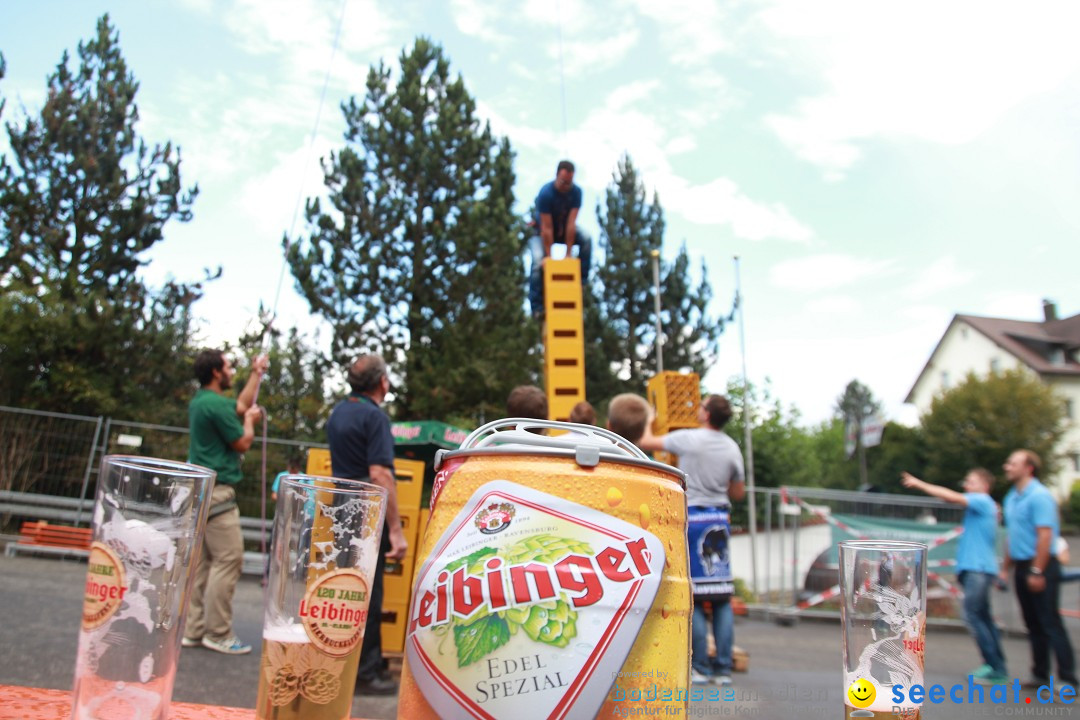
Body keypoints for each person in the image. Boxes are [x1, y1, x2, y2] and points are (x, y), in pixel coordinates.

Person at [638, 395, 745, 686]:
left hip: (694, 518)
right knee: (721, 596)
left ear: (706, 413)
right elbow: (738, 492)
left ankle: (700, 666)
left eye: (701, 405)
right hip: (719, 520)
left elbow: (647, 441)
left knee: (695, 593)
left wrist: (652, 414)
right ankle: (722, 668)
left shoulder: (688, 439)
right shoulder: (732, 447)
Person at [326, 354, 408, 696]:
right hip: (365, 507)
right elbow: (380, 474)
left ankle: (340, 663)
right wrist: (396, 529)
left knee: (343, 587)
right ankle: (367, 672)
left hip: (339, 506)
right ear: (382, 383)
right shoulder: (375, 417)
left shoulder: (338, 412)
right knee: (369, 592)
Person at [183, 349, 267, 655]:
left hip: (202, 489)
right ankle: (218, 632)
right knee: (229, 558)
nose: (233, 371)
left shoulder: (202, 402)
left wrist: (257, 373)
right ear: (217, 372)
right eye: (230, 367)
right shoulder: (216, 405)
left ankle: (192, 629)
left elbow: (241, 405)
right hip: (219, 491)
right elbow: (242, 440)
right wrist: (250, 422)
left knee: (203, 563)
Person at [901, 469, 1008, 684]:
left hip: (978, 569)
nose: (966, 484)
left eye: (972, 481)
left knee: (973, 615)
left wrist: (919, 483)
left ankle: (995, 667)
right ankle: (997, 665)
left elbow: (950, 496)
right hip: (979, 569)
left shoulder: (981, 501)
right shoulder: (984, 505)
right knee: (983, 617)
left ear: (985, 486)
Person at [999, 449, 1078, 689]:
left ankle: (1068, 678)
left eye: (1012, 462)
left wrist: (1037, 571)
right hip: (1022, 564)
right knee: (1032, 622)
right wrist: (1005, 568)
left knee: (1050, 622)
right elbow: (1014, 536)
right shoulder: (1012, 497)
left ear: (1028, 467)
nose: (1007, 466)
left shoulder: (1039, 496)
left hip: (1041, 564)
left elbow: (1045, 536)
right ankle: (1040, 675)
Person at [528, 160, 592, 320]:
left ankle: (581, 282)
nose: (566, 186)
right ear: (557, 176)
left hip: (564, 230)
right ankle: (537, 308)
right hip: (542, 232)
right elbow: (546, 228)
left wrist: (568, 255)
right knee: (537, 262)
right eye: (563, 182)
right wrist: (549, 258)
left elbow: (571, 224)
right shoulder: (546, 193)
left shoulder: (576, 193)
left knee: (586, 239)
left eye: (569, 182)